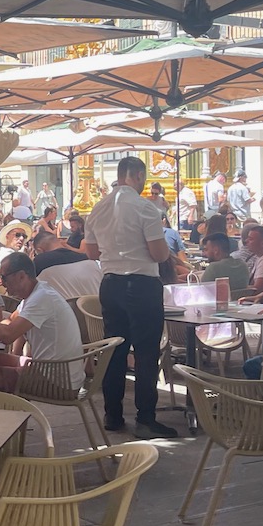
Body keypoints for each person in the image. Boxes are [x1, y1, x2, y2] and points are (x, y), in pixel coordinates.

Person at [82, 155, 172, 439]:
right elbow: (159, 254)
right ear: (137, 176)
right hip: (142, 284)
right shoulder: (146, 208)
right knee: (145, 353)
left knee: (115, 352)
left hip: (110, 285)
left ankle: (113, 415)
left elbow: (92, 253)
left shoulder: (97, 209)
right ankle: (145, 418)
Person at [0, 252, 83, 394]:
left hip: (58, 382)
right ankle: (9, 407)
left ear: (21, 276)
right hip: (52, 369)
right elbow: (11, 321)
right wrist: (2, 328)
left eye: (4, 277)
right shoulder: (35, 295)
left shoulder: (41, 299)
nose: (1, 282)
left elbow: (8, 335)